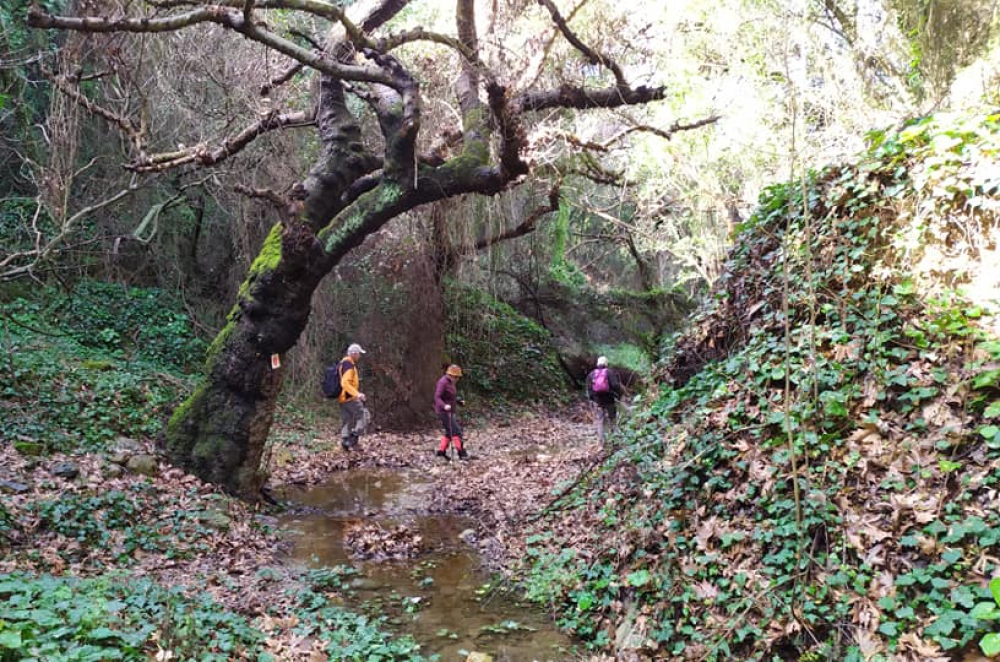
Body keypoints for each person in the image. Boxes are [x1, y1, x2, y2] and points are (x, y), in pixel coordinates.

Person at [337, 343, 369, 451]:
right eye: (359, 353)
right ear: (354, 353)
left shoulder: (343, 363)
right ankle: (353, 437)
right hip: (349, 397)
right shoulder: (349, 365)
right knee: (364, 415)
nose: (360, 356)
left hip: (342, 397)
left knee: (347, 419)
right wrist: (357, 394)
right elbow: (345, 383)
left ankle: (345, 442)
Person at [434, 364, 467, 461]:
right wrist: (444, 405)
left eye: (458, 377)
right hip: (443, 412)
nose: (457, 379)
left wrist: (459, 401)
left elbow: (450, 397)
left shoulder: (451, 383)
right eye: (455, 377)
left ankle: (441, 453)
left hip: (450, 411)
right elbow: (437, 397)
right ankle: (461, 453)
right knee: (457, 432)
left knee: (449, 432)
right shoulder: (442, 382)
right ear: (450, 375)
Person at [586, 356, 622, 442]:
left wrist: (593, 399)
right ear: (606, 364)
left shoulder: (591, 374)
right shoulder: (609, 372)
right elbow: (615, 385)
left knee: (600, 421)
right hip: (609, 400)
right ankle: (615, 439)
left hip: (597, 401)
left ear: (597, 363)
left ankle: (601, 441)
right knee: (612, 418)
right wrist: (617, 395)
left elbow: (589, 388)